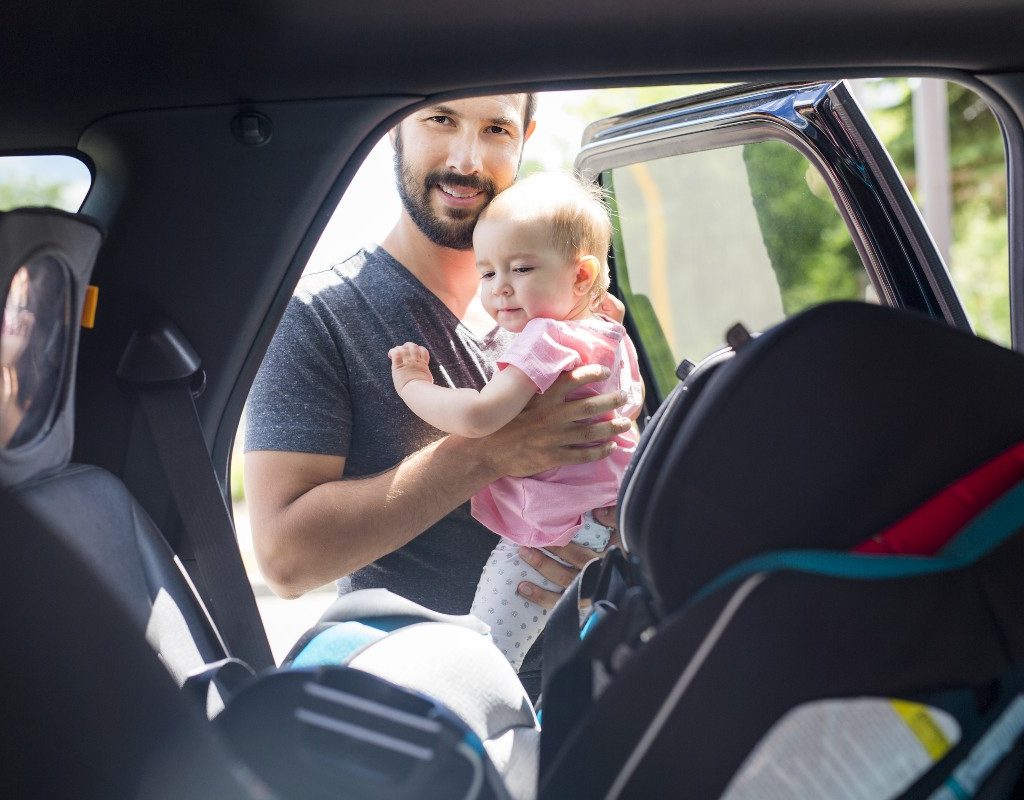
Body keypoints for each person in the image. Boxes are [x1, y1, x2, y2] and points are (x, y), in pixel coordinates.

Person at [244, 94, 633, 697]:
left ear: (525, 137)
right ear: (392, 129)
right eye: (441, 119)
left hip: (589, 678)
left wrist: (610, 539)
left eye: (496, 129)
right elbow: (285, 559)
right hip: (431, 702)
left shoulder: (573, 310)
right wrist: (487, 452)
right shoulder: (319, 316)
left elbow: (616, 455)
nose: (467, 159)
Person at [388, 172, 642, 668]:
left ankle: (485, 724)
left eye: (521, 268)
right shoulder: (607, 329)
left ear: (582, 276)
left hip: (555, 529)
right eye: (487, 274)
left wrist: (414, 385)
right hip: (606, 520)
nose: (501, 289)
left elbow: (480, 416)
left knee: (489, 653)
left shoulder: (547, 338)